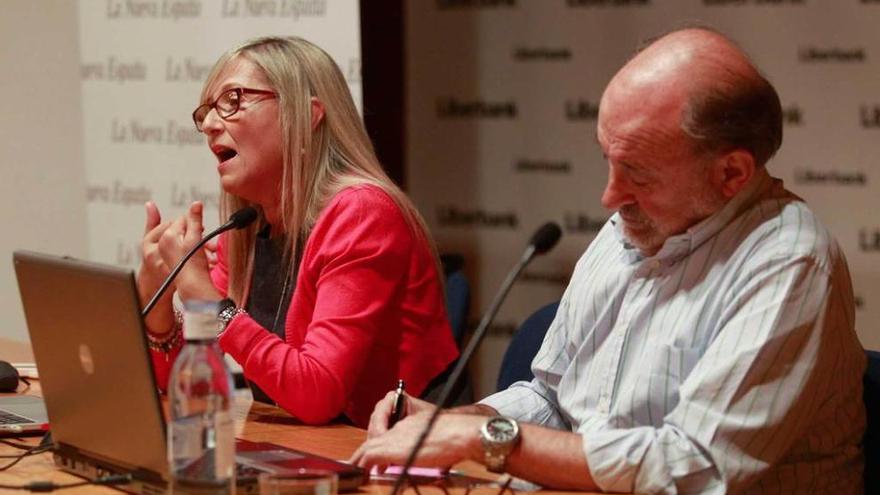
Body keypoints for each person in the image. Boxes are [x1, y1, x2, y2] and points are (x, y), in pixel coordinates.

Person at [351, 28, 866, 493]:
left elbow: (692, 469)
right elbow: (552, 398)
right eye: (609, 162)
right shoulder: (634, 222)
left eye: (638, 174)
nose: (609, 197)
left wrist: (488, 438)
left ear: (731, 173)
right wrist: (457, 420)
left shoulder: (788, 262)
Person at [136, 36, 458, 427]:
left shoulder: (362, 214)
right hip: (307, 453)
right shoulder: (245, 227)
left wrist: (207, 301)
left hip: (404, 461)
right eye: (205, 110)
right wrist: (156, 302)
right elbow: (184, 382)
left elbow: (318, 395)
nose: (207, 124)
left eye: (233, 100)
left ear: (307, 115)